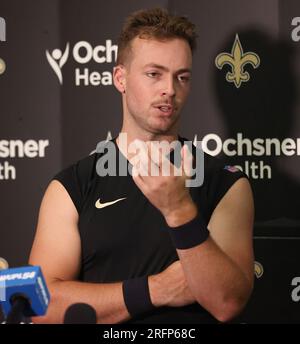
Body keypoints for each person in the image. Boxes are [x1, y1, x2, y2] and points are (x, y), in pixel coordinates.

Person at [29, 7, 254, 324]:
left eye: (182, 77)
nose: (170, 90)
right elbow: (39, 306)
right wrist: (157, 289)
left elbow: (228, 302)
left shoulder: (226, 184)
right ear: (120, 78)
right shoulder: (72, 186)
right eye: (154, 74)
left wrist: (179, 210)